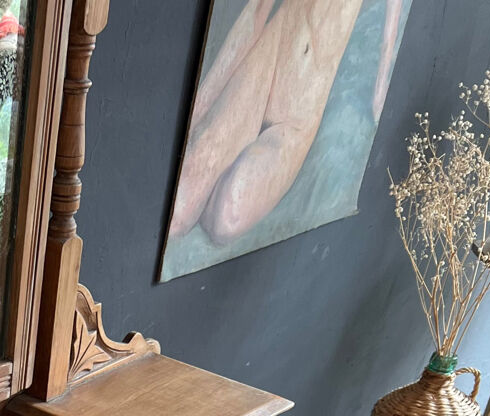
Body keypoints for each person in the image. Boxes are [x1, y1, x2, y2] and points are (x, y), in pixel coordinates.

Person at [169, 0, 403, 245]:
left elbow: (390, 35)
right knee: (178, 214)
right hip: (265, 63)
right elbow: (257, 12)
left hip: (299, 110)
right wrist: (199, 108)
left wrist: (381, 86)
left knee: (228, 217)